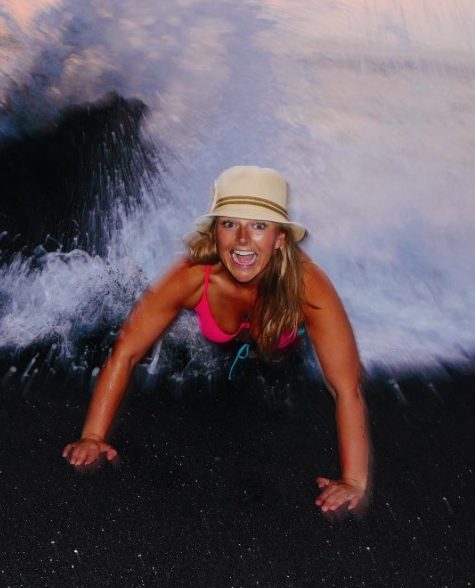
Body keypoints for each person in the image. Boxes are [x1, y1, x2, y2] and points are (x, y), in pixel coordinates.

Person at [63, 165, 369, 513]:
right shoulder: (192, 277)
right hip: (222, 356)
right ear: (215, 232)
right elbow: (126, 353)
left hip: (286, 358)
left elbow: (346, 388)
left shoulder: (308, 285)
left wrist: (353, 480)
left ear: (280, 239)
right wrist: (93, 436)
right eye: (229, 224)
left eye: (259, 225)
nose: (243, 239)